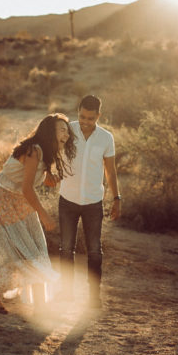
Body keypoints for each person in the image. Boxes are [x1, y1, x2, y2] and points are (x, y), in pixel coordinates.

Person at [0, 113, 76, 314]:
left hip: (20, 202)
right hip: (3, 200)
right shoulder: (34, 150)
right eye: (62, 130)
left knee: (36, 251)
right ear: (49, 131)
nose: (66, 135)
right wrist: (43, 214)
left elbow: (34, 180)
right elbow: (26, 188)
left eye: (68, 131)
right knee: (19, 253)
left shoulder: (45, 154)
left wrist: (56, 177)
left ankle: (39, 305)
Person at [57, 95, 120, 308]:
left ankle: (93, 297)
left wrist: (116, 198)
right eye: (82, 116)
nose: (85, 121)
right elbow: (51, 152)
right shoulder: (67, 130)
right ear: (78, 112)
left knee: (94, 251)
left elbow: (110, 171)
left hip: (93, 202)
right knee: (66, 248)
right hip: (68, 200)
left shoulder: (106, 138)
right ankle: (66, 294)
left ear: (98, 116)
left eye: (90, 118)